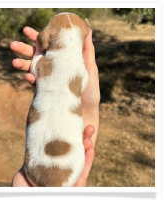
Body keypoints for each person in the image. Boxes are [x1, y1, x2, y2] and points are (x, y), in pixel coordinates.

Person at [10, 27, 100, 187]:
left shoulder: (44, 64)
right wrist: (90, 108)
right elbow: (84, 82)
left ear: (47, 38)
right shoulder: (80, 70)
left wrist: (38, 52)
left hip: (35, 174)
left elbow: (35, 65)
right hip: (70, 171)